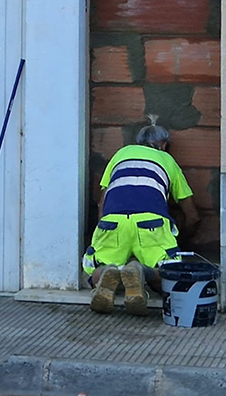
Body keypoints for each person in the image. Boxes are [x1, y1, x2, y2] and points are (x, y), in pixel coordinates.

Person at [82, 115, 199, 316]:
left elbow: (103, 201)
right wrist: (181, 240)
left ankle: (107, 275)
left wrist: (103, 231)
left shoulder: (121, 154)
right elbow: (192, 215)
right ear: (163, 144)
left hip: (112, 221)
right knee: (169, 276)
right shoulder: (167, 160)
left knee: (97, 269)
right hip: (151, 223)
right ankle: (142, 272)